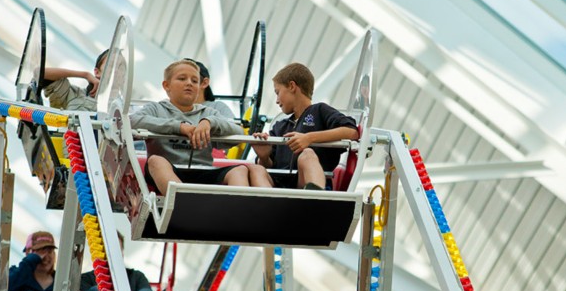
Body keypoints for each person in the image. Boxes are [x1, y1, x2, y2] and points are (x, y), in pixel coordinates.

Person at [129, 59, 259, 195]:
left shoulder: (208, 112)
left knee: (239, 170)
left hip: (203, 171)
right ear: (167, 86)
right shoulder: (155, 108)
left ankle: (237, 212)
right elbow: (132, 120)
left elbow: (238, 132)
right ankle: (184, 203)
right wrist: (179, 127)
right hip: (168, 169)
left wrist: (208, 122)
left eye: (195, 81)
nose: (189, 83)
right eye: (182, 78)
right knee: (155, 161)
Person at [250, 62, 359, 190]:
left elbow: (352, 132)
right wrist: (264, 156)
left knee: (307, 154)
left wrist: (309, 138)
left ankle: (314, 197)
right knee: (256, 169)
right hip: (278, 187)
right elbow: (269, 166)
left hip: (302, 184)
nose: (277, 100)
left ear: (291, 86)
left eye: (277, 92)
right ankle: (270, 203)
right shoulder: (279, 126)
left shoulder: (319, 111)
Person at [79, 233, 162, 291]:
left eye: (116, 250)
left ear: (122, 253)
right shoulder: (86, 279)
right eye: (108, 250)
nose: (112, 255)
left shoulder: (137, 276)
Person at [8, 231, 85, 291]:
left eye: (50, 252)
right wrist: (33, 259)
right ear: (29, 253)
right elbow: (6, 287)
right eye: (41, 251)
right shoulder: (18, 275)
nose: (45, 257)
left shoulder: (62, 281)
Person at [41, 49, 109, 111]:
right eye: (111, 65)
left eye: (120, 66)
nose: (116, 70)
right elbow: (39, 72)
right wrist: (85, 75)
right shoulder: (76, 94)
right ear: (97, 72)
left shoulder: (118, 104)